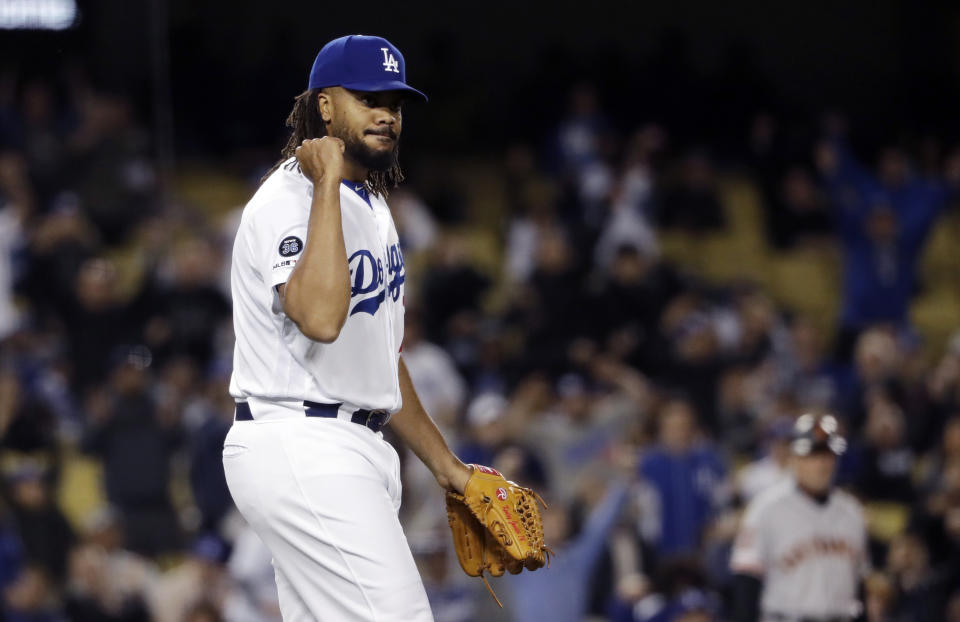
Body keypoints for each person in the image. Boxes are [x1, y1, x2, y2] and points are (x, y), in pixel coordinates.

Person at [222, 35, 473, 622]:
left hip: (352, 448)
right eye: (367, 98)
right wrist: (326, 185)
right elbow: (321, 318)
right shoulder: (289, 198)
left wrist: (447, 467)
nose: (387, 114)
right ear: (325, 106)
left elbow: (379, 358)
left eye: (396, 102)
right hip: (301, 442)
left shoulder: (372, 205)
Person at [730, 413, 868, 622]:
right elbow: (746, 584)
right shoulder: (766, 509)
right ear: (794, 458)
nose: (822, 463)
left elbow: (860, 586)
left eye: (827, 454)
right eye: (813, 455)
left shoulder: (852, 513)